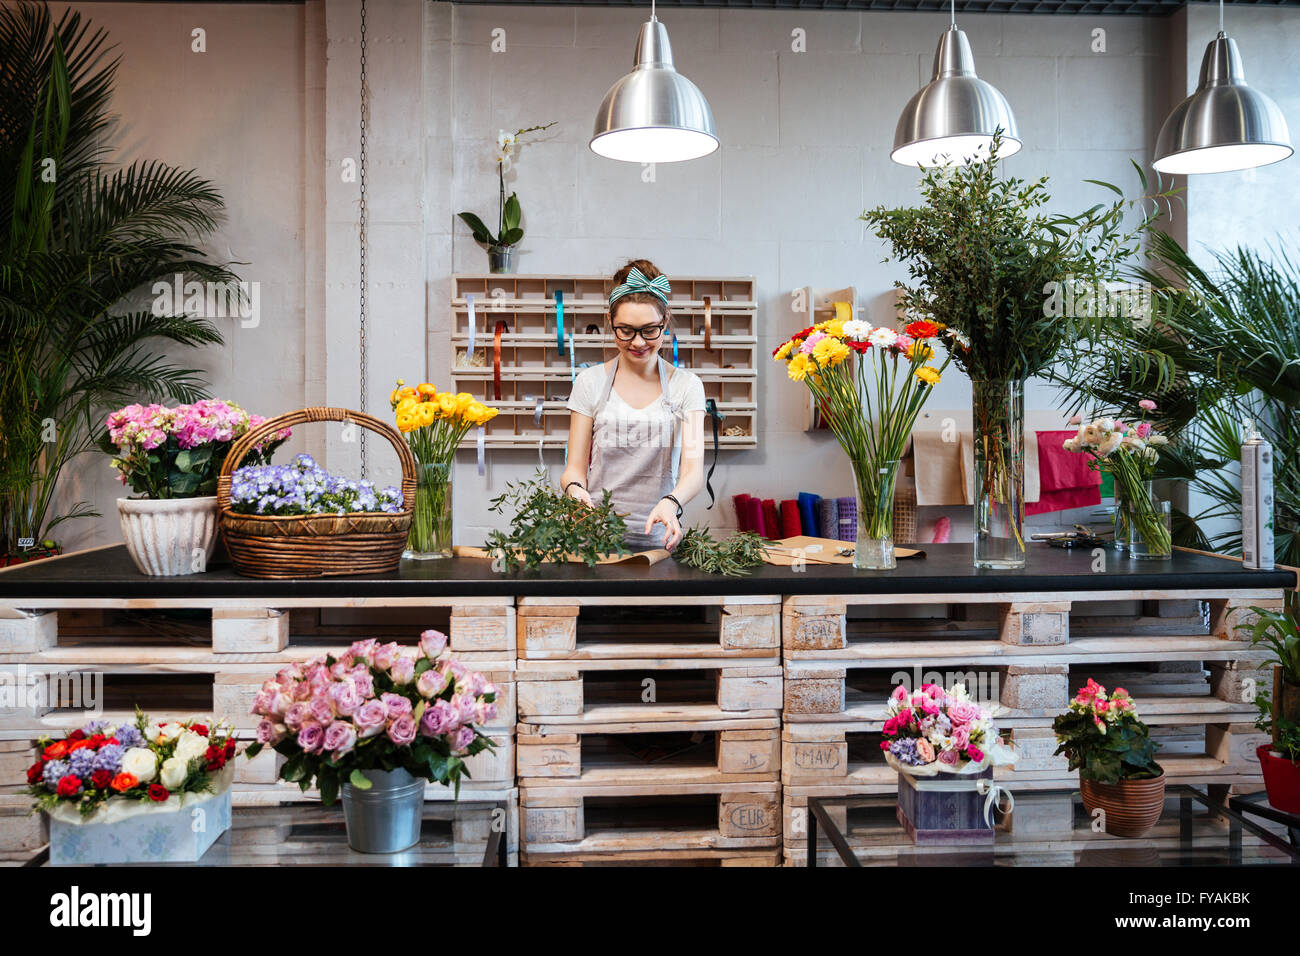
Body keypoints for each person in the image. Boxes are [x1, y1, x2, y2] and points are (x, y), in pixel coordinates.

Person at [560, 259, 705, 551]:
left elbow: (693, 472)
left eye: (649, 330)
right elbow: (573, 468)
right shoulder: (589, 383)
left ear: (665, 323)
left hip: (659, 541)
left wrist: (671, 502)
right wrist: (575, 490)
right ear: (611, 324)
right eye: (625, 330)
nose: (638, 342)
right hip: (594, 540)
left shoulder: (687, 386)